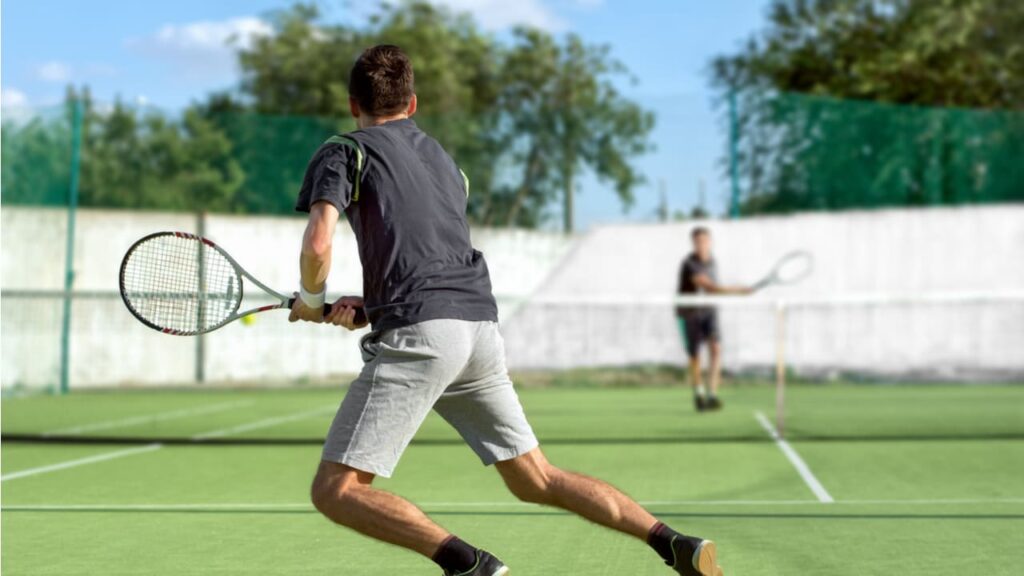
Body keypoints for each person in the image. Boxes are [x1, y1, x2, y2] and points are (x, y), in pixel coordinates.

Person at [288, 45, 724, 576]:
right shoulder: (446, 165)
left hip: (426, 334)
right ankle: (672, 542)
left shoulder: (345, 149)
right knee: (534, 478)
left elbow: (318, 245)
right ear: (414, 103)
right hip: (478, 328)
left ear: (353, 104)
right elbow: (425, 253)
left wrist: (313, 302)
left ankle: (469, 565)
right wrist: (373, 303)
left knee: (336, 491)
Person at [676, 227, 752, 412]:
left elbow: (713, 291)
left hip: (709, 312)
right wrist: (738, 290)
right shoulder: (688, 264)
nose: (701, 244)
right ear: (693, 243)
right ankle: (699, 393)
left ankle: (712, 395)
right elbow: (711, 287)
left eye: (704, 240)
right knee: (695, 357)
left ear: (710, 242)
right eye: (697, 241)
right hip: (689, 313)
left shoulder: (713, 261)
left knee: (716, 349)